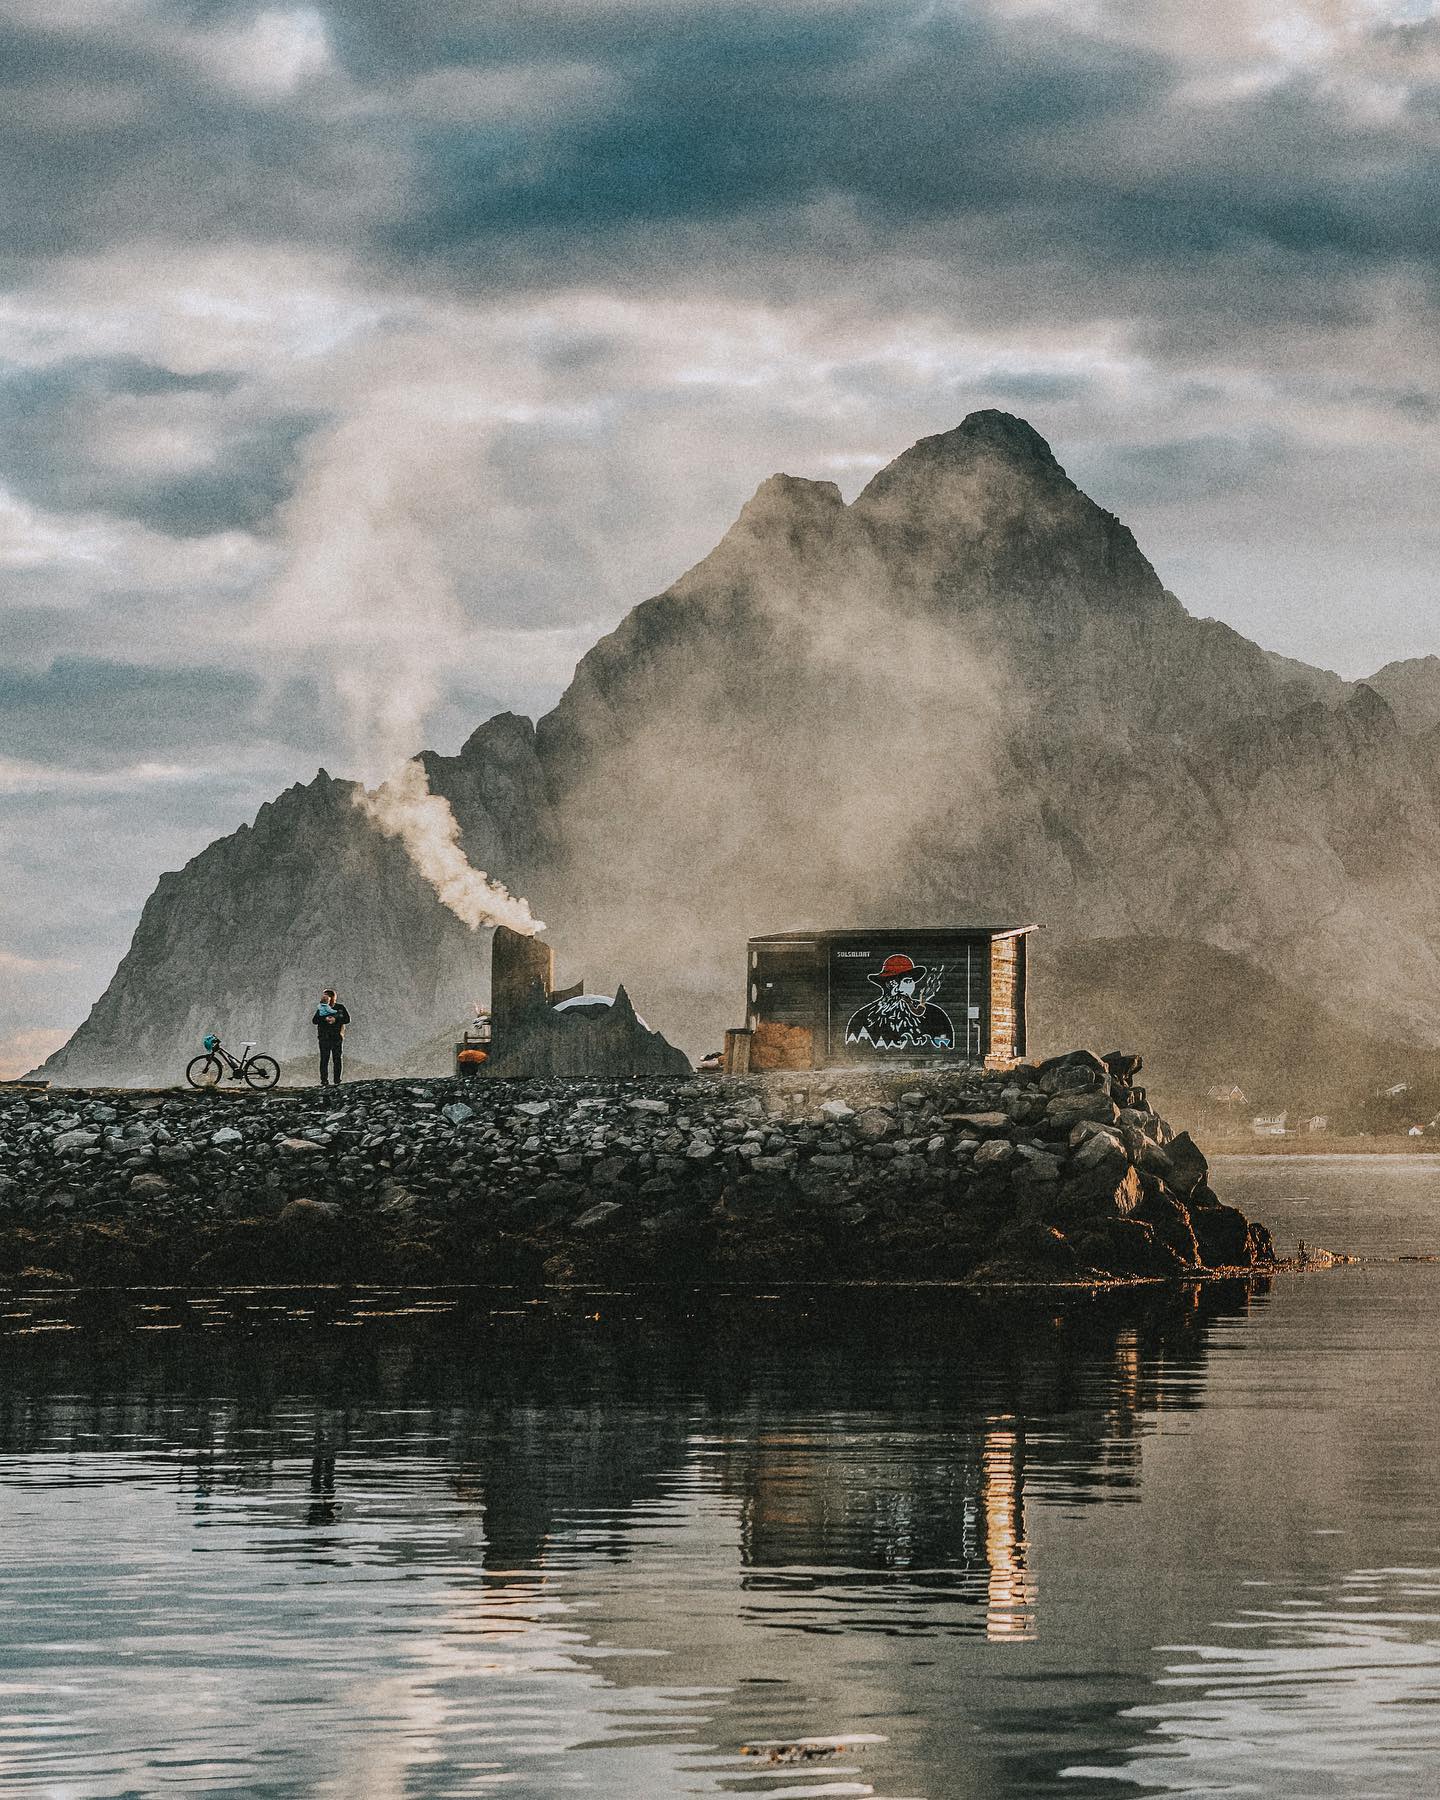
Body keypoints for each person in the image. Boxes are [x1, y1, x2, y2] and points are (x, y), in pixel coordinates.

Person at [313, 988, 351, 1086]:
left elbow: (347, 1019)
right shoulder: (321, 1008)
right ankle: (324, 1081)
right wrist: (325, 1019)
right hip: (324, 1037)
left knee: (337, 1059)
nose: (323, 998)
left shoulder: (340, 1007)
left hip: (336, 1037)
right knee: (324, 1059)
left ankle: (337, 1080)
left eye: (326, 996)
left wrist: (336, 1019)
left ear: (332, 997)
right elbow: (314, 1020)